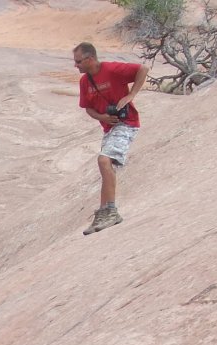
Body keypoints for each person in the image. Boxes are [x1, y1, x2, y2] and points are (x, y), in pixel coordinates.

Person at [73, 42, 149, 235]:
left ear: (90, 59)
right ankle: (104, 211)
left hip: (127, 123)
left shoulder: (112, 69)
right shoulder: (85, 82)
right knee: (106, 166)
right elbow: (88, 107)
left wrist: (131, 95)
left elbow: (143, 69)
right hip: (109, 128)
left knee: (104, 159)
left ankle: (111, 210)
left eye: (79, 61)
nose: (76, 66)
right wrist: (103, 117)